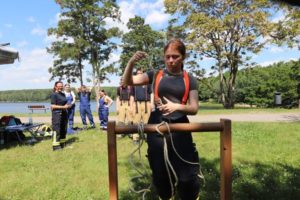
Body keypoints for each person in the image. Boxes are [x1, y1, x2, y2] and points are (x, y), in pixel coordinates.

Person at [122, 39, 201, 199]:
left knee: (187, 177)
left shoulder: (190, 79)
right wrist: (131, 62)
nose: (171, 60)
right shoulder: (155, 75)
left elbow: (194, 108)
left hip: (181, 129)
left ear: (183, 57)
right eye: (168, 57)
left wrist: (177, 107)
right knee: (160, 175)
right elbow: (127, 82)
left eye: (175, 56)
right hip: (156, 128)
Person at [132, 68, 152, 143]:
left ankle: (147, 137)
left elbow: (151, 93)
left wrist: (152, 104)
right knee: (136, 122)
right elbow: (131, 96)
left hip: (146, 104)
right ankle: (136, 138)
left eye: (141, 73)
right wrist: (131, 106)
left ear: (143, 74)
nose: (139, 74)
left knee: (147, 122)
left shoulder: (148, 83)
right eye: (138, 73)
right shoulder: (133, 84)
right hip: (136, 104)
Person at [50, 81, 70, 151]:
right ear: (55, 86)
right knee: (57, 130)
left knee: (63, 129)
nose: (61, 87)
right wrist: (63, 107)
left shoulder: (63, 94)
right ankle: (56, 146)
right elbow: (52, 106)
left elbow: (64, 103)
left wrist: (67, 105)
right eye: (59, 86)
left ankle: (63, 144)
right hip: (57, 114)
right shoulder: (54, 94)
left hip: (64, 114)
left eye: (61, 86)